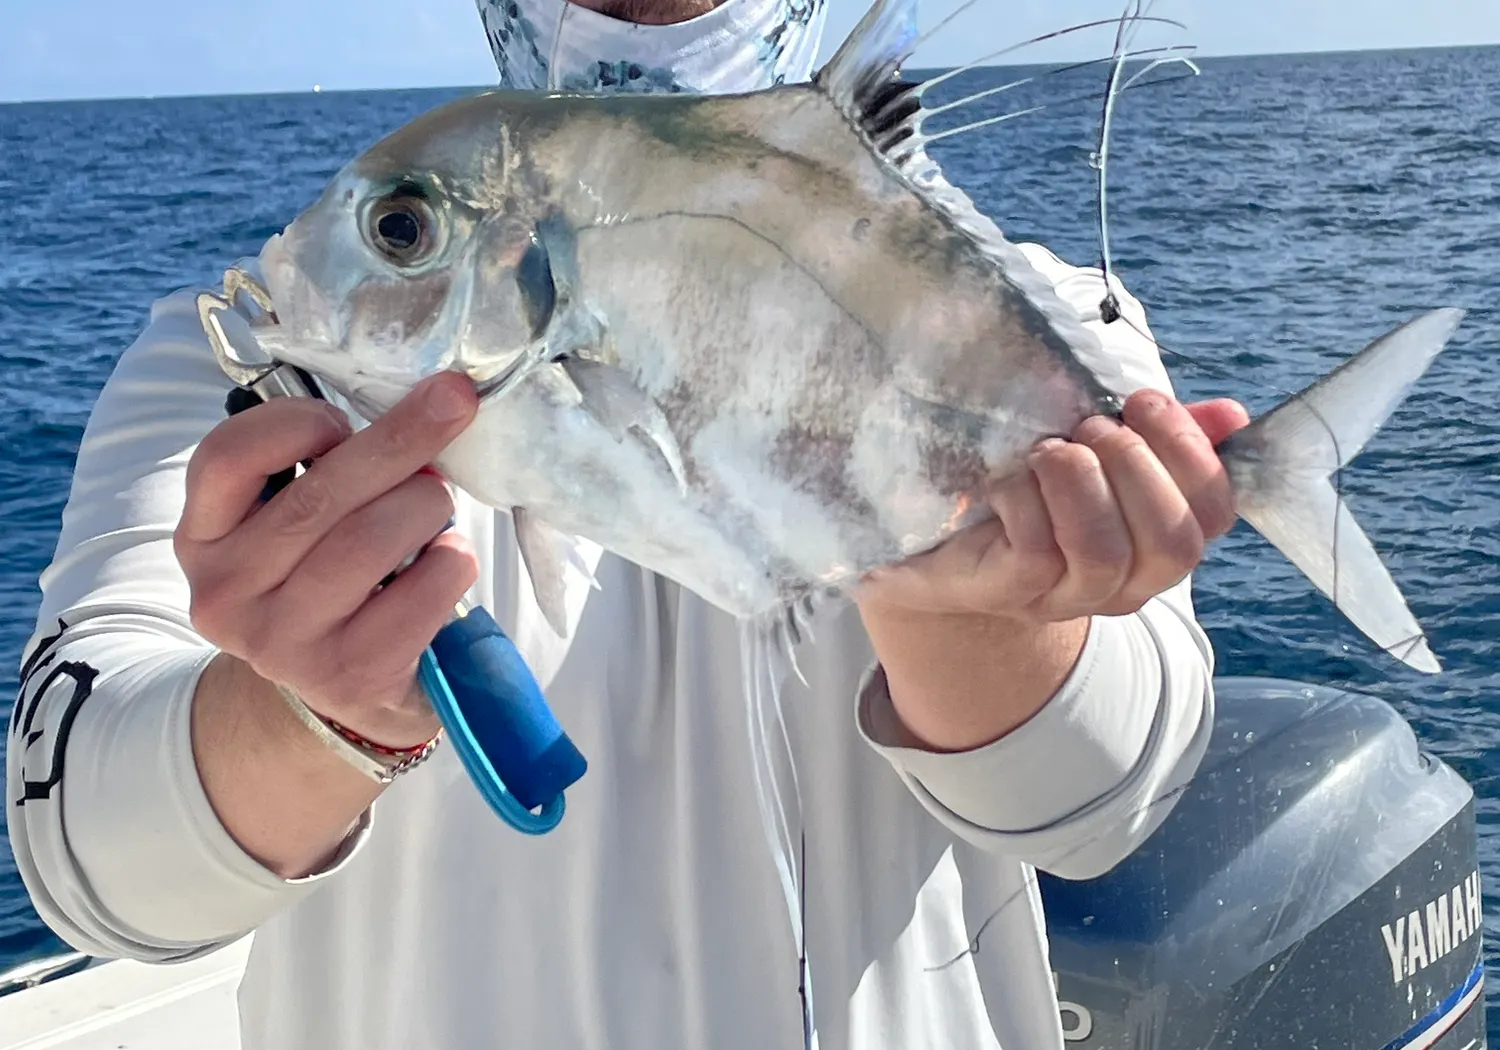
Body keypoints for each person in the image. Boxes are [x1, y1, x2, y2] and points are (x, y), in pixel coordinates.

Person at [5, 0, 1250, 1047]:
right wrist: (304, 719)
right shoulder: (245, 375)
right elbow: (87, 864)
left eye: (398, 232)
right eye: (400, 234)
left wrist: (962, 603)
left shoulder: (1030, 328)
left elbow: (1104, 808)